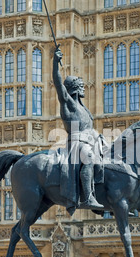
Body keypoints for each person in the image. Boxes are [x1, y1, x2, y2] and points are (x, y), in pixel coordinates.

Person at [53, 47, 105, 214]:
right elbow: (57, 82)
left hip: (91, 141)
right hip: (76, 143)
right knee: (88, 158)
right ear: (74, 87)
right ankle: (88, 197)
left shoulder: (84, 109)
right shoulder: (68, 103)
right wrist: (55, 63)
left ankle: (111, 200)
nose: (83, 88)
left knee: (113, 159)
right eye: (80, 85)